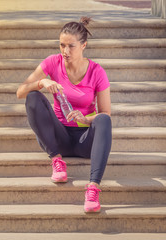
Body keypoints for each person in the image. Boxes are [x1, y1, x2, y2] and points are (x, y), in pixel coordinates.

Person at [16, 17, 112, 213]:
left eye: (71, 46)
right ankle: (57, 160)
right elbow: (20, 91)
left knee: (103, 120)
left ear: (83, 45)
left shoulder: (97, 71)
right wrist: (41, 83)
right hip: (58, 138)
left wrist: (86, 119)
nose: (65, 51)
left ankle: (93, 188)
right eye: (62, 45)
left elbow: (106, 113)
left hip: (85, 141)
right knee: (33, 97)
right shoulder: (53, 62)